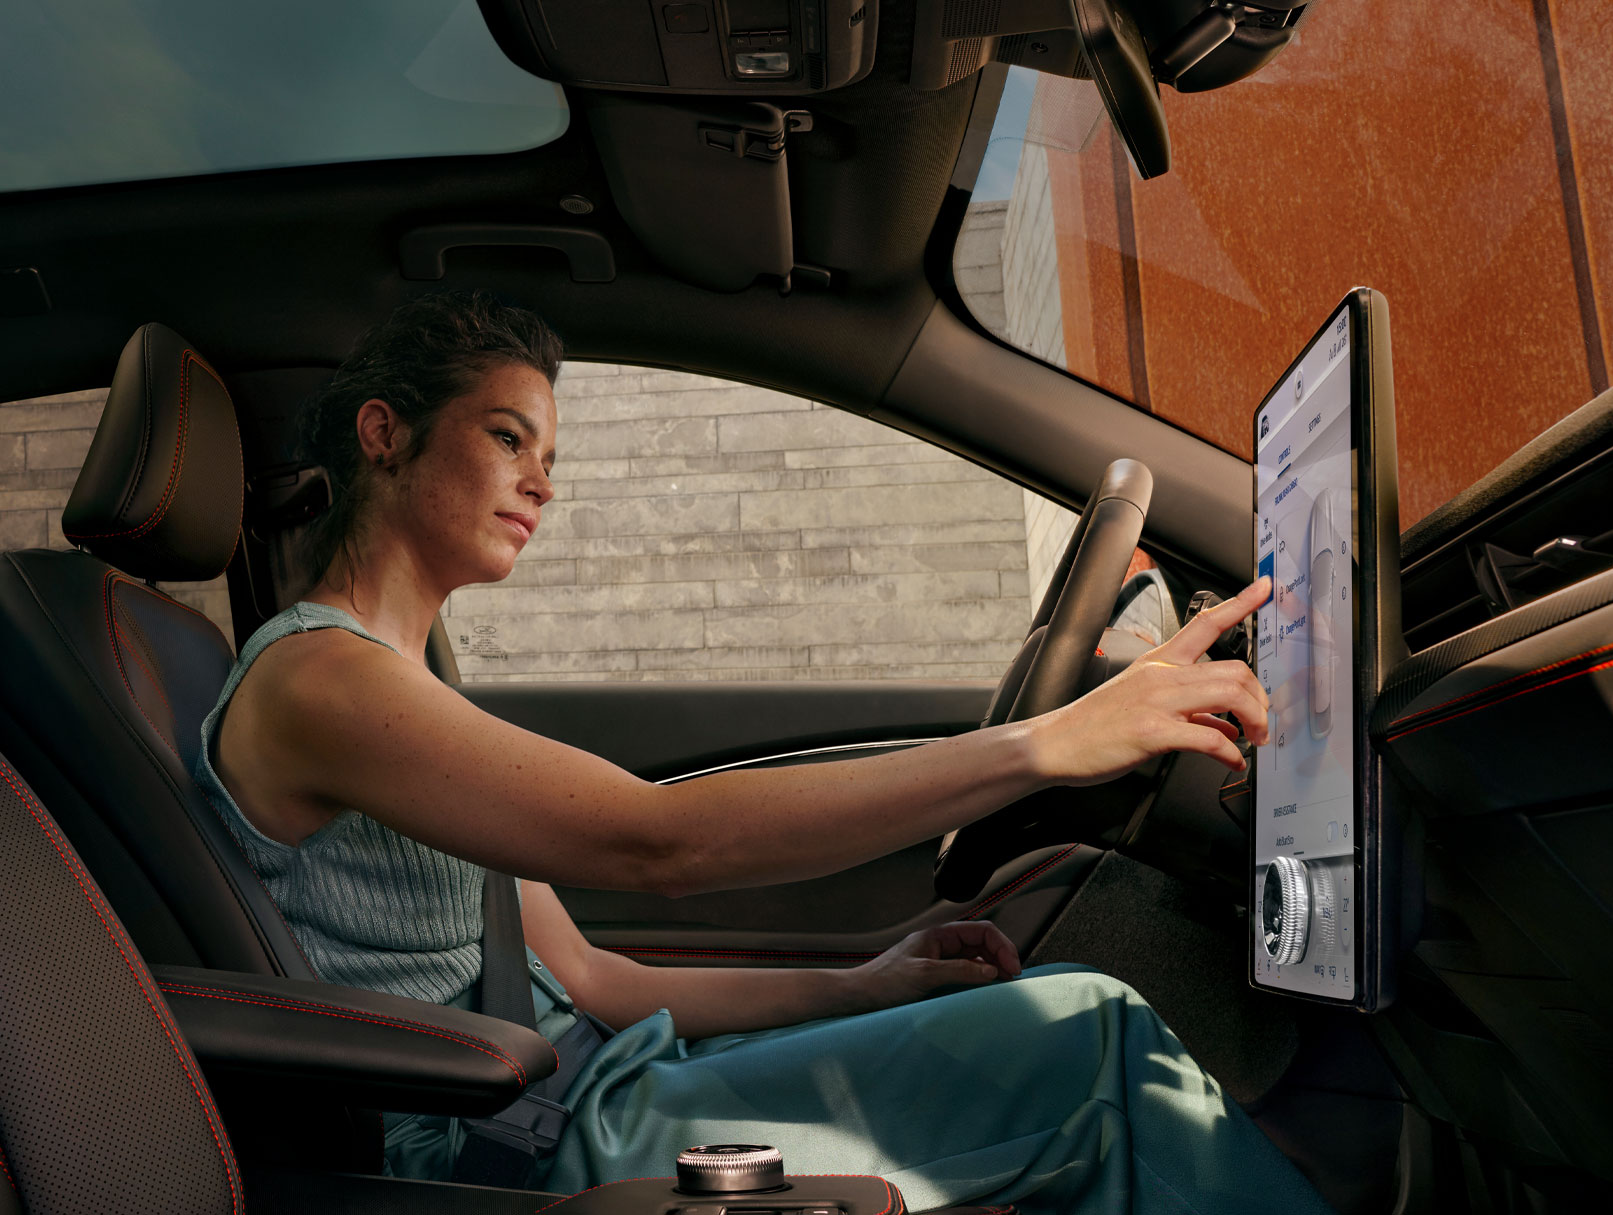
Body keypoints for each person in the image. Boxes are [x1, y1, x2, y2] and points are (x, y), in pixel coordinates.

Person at [188, 292, 1326, 1214]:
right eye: (506, 438)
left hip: (584, 1091)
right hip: (513, 1153)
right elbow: (659, 843)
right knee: (1092, 1042)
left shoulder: (406, 687)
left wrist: (857, 988)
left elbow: (595, 981)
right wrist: (1045, 744)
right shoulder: (318, 682)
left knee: (1075, 1022)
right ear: (385, 434)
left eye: (550, 453)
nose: (544, 481)